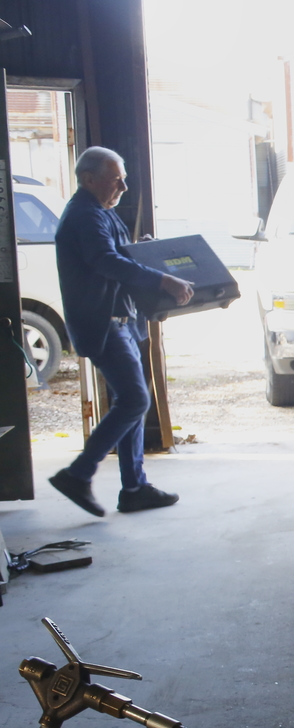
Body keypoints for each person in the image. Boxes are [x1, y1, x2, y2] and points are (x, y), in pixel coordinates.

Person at [46, 146, 194, 517]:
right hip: (104, 324)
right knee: (134, 401)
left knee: (128, 402)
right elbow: (104, 260)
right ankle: (78, 474)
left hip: (122, 321)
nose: (124, 187)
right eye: (116, 180)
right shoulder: (83, 214)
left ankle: (134, 488)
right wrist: (163, 279)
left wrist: (144, 254)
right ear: (88, 179)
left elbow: (120, 254)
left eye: (124, 179)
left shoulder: (101, 213)